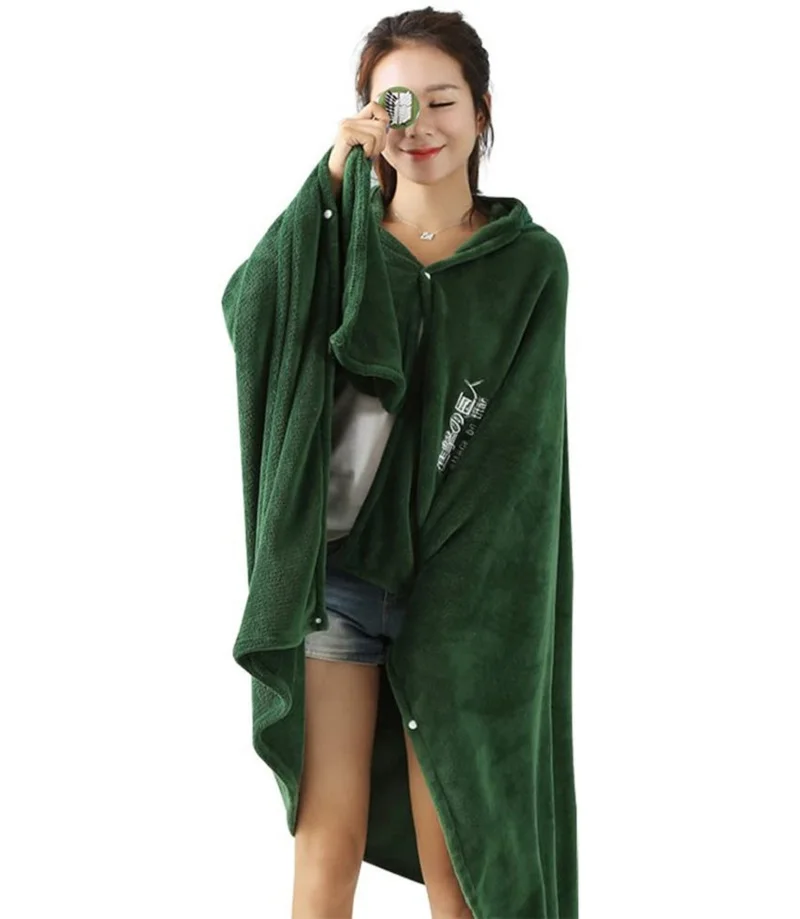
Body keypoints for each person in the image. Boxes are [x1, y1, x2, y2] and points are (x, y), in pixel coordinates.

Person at [298, 9, 499, 919]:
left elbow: (523, 455)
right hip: (341, 573)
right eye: (395, 104)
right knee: (326, 839)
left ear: (482, 110)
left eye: (442, 100)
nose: (420, 126)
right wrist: (331, 183)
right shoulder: (341, 240)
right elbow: (253, 309)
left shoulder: (524, 262)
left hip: (457, 592)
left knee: (456, 855)